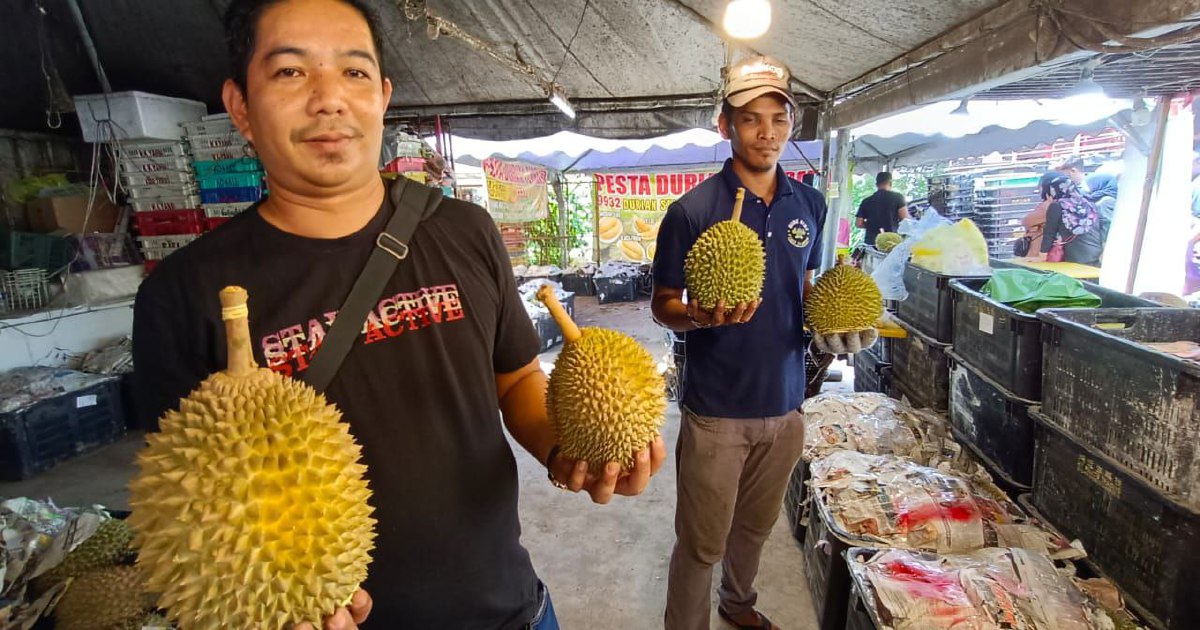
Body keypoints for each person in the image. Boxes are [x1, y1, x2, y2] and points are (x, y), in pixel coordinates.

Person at [132, 1, 666, 628]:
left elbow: (517, 379)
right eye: (290, 73)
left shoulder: (464, 232)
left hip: (509, 610)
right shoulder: (181, 293)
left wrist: (567, 452)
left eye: (354, 73)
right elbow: (188, 502)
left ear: (384, 96)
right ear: (241, 105)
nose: (330, 98)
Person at [651, 56, 830, 630]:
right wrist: (699, 317)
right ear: (725, 125)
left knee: (755, 527)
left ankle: (738, 606)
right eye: (751, 119)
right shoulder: (692, 210)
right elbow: (663, 304)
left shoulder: (811, 204)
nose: (767, 132)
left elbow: (804, 287)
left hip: (785, 403)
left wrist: (829, 333)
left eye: (779, 119)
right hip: (717, 408)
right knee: (702, 541)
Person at [1031, 174, 1104, 265]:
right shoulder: (1090, 203)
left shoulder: (1057, 206)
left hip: (1074, 255)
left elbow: (1049, 233)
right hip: (1095, 253)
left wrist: (1042, 256)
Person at [855, 171, 909, 246]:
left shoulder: (866, 201)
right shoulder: (898, 198)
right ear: (890, 183)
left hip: (871, 243)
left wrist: (871, 225)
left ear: (876, 184)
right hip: (891, 242)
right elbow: (905, 219)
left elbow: (858, 224)